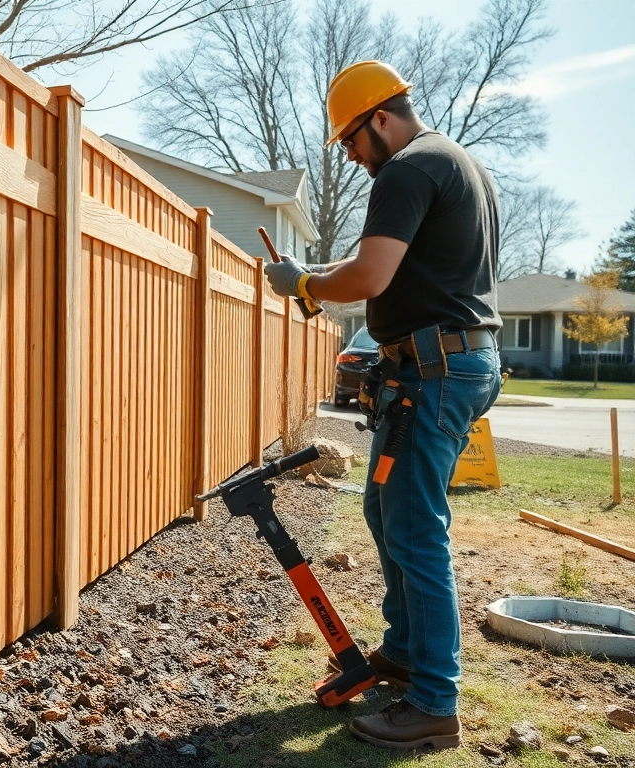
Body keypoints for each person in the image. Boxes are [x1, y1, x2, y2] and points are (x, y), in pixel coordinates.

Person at [264, 60, 503, 750]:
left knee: (415, 527)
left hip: (435, 373)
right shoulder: (455, 164)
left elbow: (370, 273)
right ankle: (404, 652)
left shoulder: (407, 169)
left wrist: (303, 280)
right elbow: (385, 262)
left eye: (349, 141)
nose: (350, 156)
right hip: (448, 364)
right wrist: (313, 284)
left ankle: (433, 702)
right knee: (384, 509)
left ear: (379, 118)